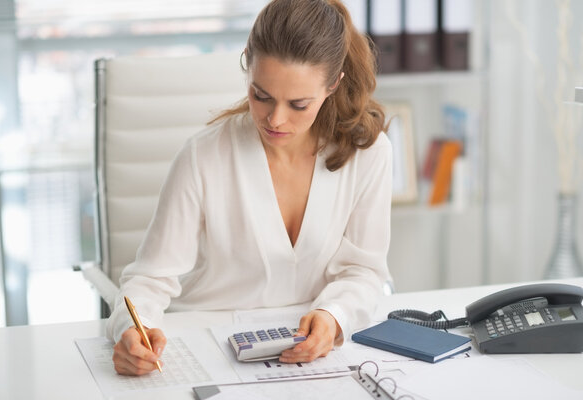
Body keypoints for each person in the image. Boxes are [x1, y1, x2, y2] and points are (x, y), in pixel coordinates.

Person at [108, 0, 393, 376]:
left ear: (333, 84)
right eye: (261, 96)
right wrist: (133, 328)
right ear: (247, 64)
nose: (275, 119)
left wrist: (334, 316)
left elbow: (364, 272)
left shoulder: (367, 154)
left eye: (298, 104)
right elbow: (150, 278)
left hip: (308, 356)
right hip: (206, 346)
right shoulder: (203, 156)